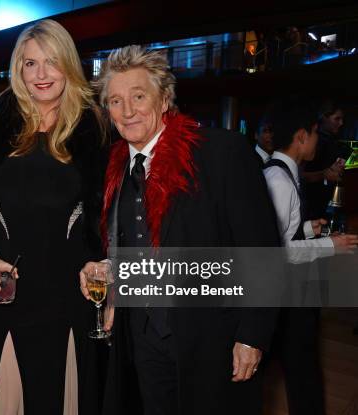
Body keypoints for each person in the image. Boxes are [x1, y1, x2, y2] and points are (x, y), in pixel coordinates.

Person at [82, 45, 280, 415]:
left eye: (138, 96)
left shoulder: (221, 153)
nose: (127, 111)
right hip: (142, 336)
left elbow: (263, 249)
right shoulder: (114, 168)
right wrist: (109, 273)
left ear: (164, 100)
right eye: (115, 101)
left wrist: (252, 335)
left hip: (211, 336)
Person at [0, 19, 108, 415]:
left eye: (51, 61)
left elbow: (112, 211)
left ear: (68, 64)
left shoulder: (94, 126)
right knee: (10, 393)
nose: (42, 74)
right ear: (18, 70)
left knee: (66, 392)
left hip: (72, 288)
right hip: (10, 285)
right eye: (30, 64)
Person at [263, 99, 358, 415]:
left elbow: (277, 232)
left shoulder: (283, 174)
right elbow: (275, 251)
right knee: (302, 369)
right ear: (301, 136)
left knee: (300, 365)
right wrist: (331, 244)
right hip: (286, 292)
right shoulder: (278, 180)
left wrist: (306, 227)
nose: (318, 140)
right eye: (316, 132)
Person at [301, 101, 353, 219]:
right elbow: (298, 175)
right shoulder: (310, 143)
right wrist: (324, 174)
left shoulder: (333, 142)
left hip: (327, 205)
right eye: (337, 119)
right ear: (323, 117)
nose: (341, 123)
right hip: (310, 208)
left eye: (342, 119)